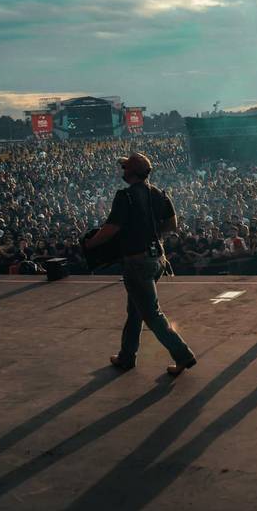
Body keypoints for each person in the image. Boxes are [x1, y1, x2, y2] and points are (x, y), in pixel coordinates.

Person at [84, 152, 196, 377]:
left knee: (151, 313)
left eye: (125, 168)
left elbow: (111, 228)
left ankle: (183, 355)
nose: (122, 171)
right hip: (157, 258)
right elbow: (172, 225)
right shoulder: (159, 194)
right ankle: (126, 356)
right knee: (135, 309)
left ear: (132, 173)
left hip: (137, 261)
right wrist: (151, 233)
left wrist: (90, 243)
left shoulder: (125, 197)